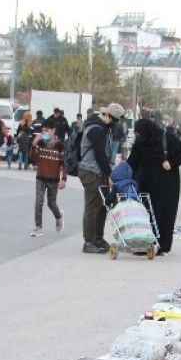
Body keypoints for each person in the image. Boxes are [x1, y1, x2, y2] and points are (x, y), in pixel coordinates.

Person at [127, 116, 181, 255]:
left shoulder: (167, 138)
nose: (139, 136)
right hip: (146, 184)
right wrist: (121, 175)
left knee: (164, 214)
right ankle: (144, 243)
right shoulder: (140, 142)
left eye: (140, 133)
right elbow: (132, 161)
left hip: (167, 184)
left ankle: (161, 244)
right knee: (145, 213)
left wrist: (171, 163)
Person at [77, 102, 125, 255]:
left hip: (98, 172)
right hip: (91, 171)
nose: (116, 124)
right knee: (92, 206)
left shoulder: (103, 128)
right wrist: (110, 174)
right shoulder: (96, 129)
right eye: (115, 120)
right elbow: (99, 155)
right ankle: (89, 241)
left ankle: (98, 238)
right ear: (108, 116)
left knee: (103, 205)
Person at [29, 129, 66, 236]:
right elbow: (33, 158)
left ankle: (58, 216)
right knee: (38, 202)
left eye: (48, 131)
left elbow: (64, 164)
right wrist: (34, 144)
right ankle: (38, 227)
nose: (46, 133)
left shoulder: (60, 146)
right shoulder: (40, 144)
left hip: (53, 179)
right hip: (40, 177)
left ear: (54, 132)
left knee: (51, 203)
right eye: (44, 131)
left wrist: (63, 179)